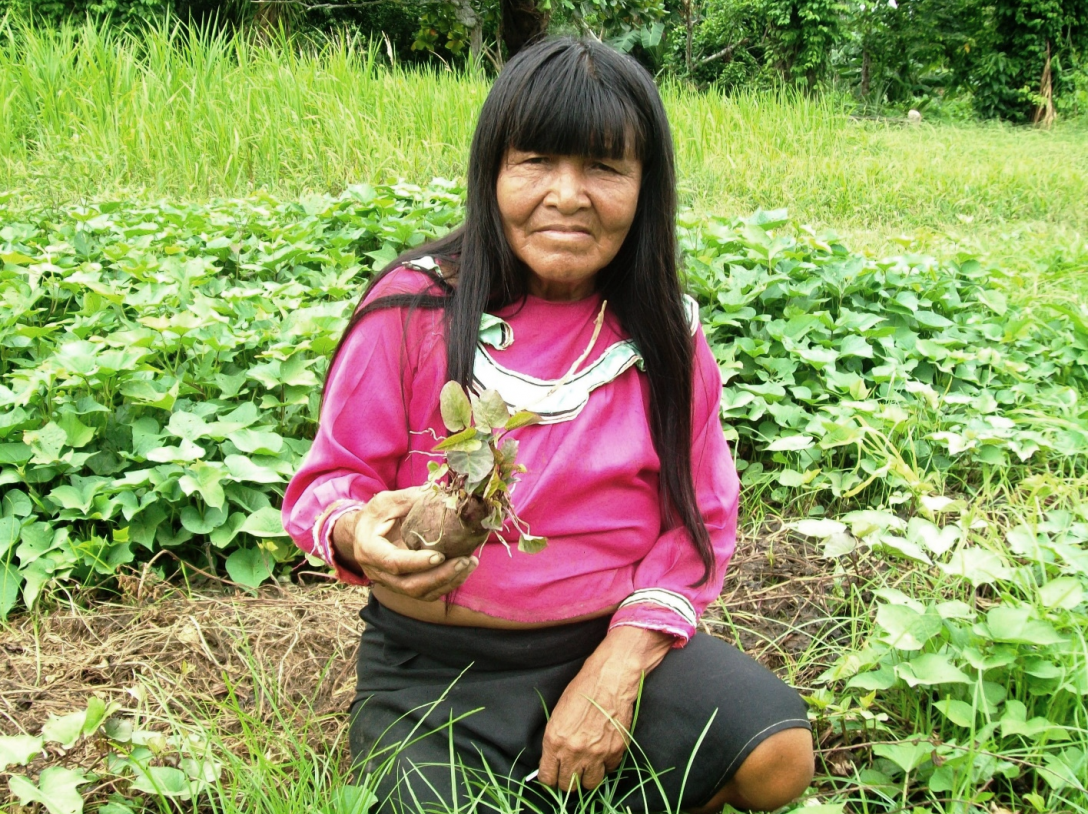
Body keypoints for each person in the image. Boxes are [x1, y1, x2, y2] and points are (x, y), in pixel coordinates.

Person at [282, 37, 814, 813]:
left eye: (605, 167)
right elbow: (330, 479)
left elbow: (698, 521)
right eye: (535, 162)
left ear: (646, 187)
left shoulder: (666, 335)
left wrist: (619, 666)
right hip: (438, 671)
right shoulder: (413, 307)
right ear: (492, 173)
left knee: (777, 759)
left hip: (604, 641)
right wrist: (354, 530)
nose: (568, 195)